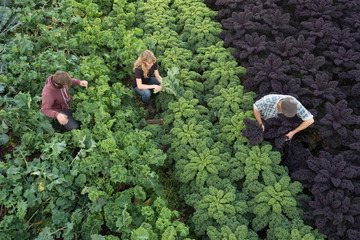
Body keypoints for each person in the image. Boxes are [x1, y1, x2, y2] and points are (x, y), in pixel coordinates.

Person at [133, 50, 163, 114]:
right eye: (150, 63)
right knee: (147, 93)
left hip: (148, 81)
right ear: (144, 62)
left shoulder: (153, 62)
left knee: (160, 83)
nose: (152, 64)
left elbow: (157, 76)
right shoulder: (138, 68)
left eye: (152, 63)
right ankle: (146, 103)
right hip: (138, 86)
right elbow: (140, 86)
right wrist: (154, 86)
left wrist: (165, 83)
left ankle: (157, 96)